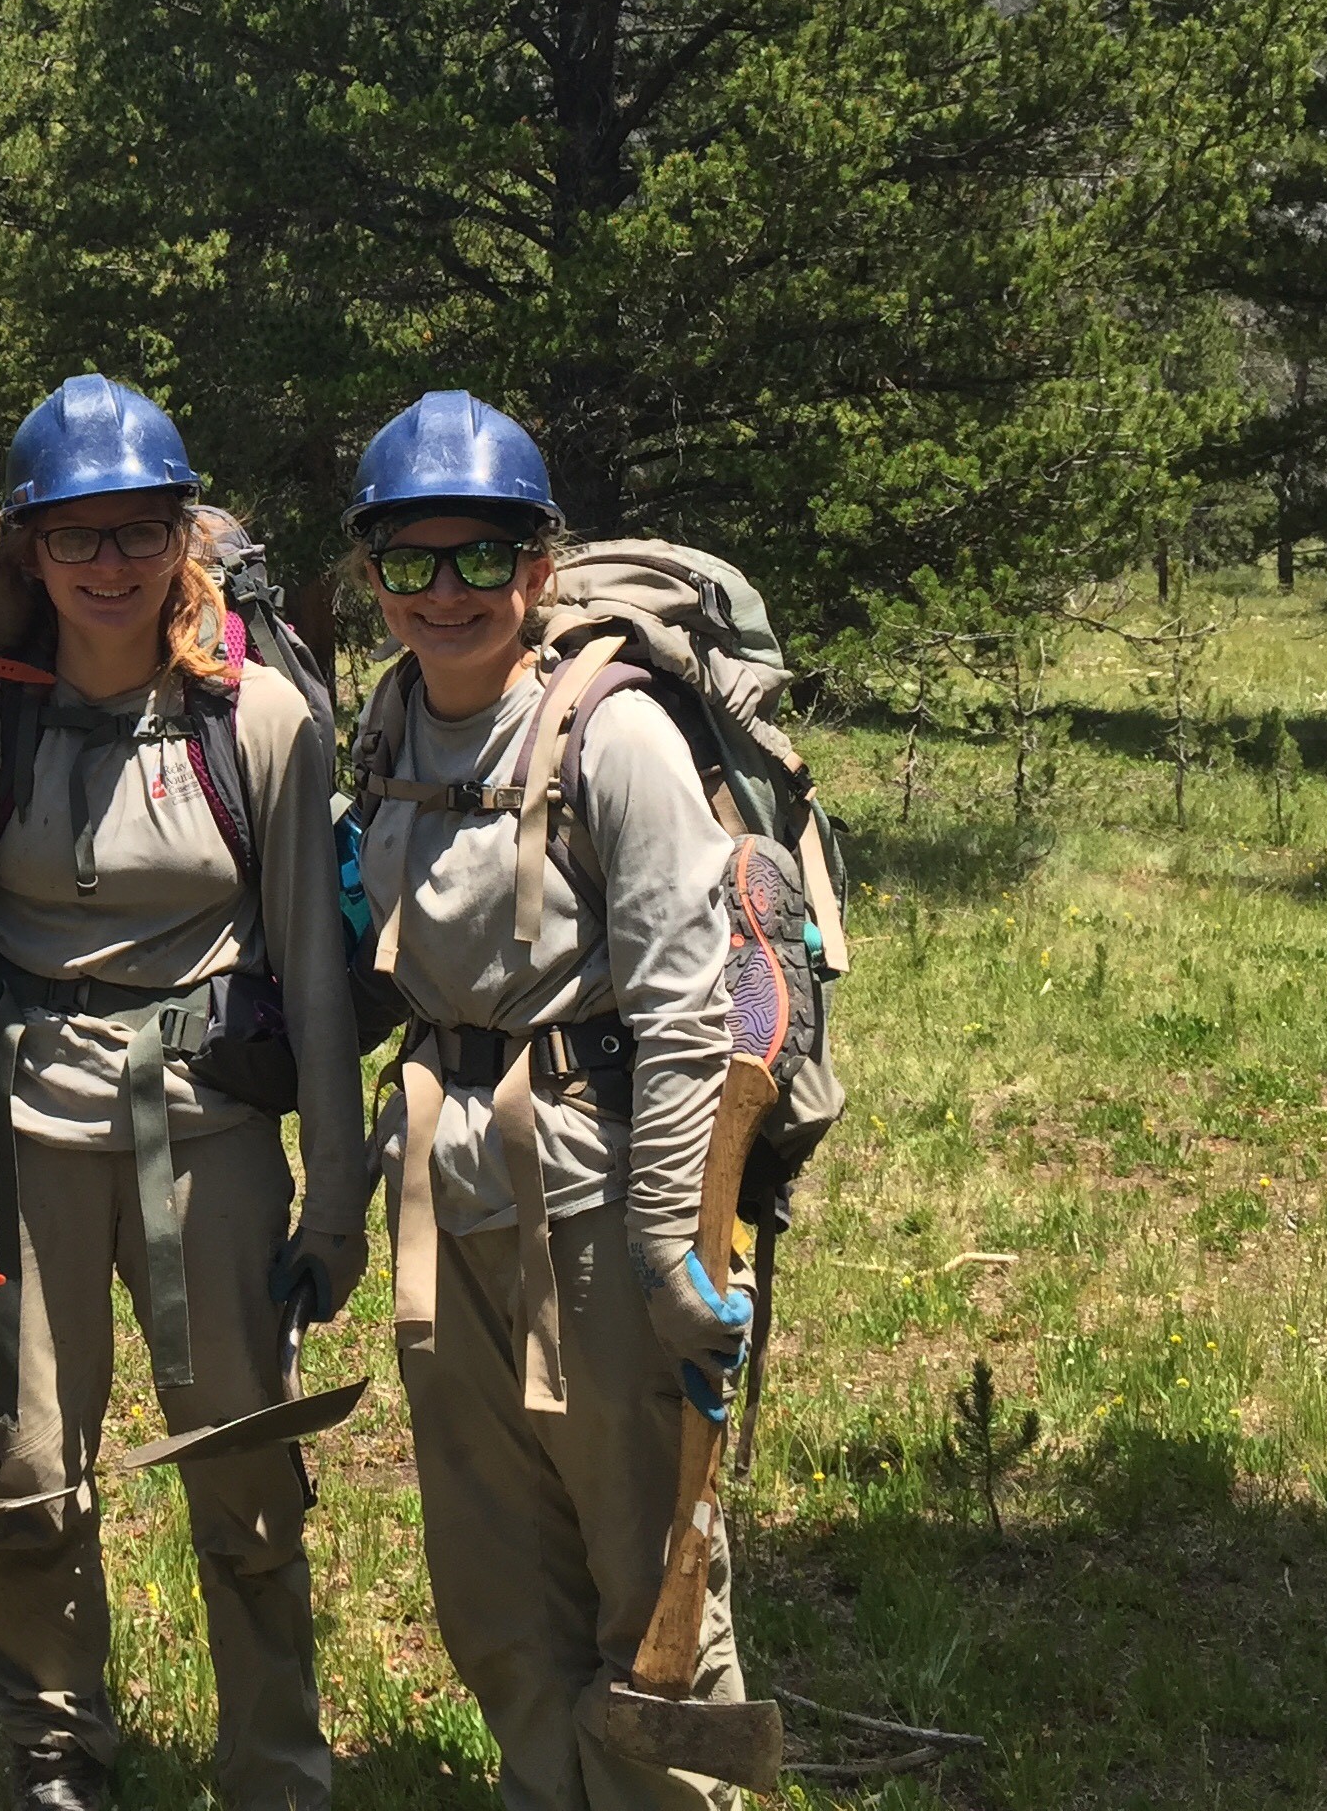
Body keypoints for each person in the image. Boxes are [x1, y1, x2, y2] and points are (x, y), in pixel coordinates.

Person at [0, 374, 367, 1811]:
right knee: (35, 1464)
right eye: (76, 538)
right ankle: (56, 1759)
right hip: (21, 1133)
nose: (108, 567)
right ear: (30, 552)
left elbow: (313, 964)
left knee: (241, 1466)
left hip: (214, 1137)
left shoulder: (264, 724)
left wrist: (341, 1191)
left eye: (139, 533)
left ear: (187, 539)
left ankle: (277, 1770)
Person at [345, 391, 756, 1811]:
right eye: (412, 560)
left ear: (540, 567)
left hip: (588, 1195)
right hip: (438, 1192)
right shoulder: (388, 722)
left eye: (483, 557)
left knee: (646, 1562)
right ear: (371, 575)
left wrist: (665, 1248)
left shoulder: (613, 735)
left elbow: (687, 1005)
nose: (446, 591)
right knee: (490, 1563)